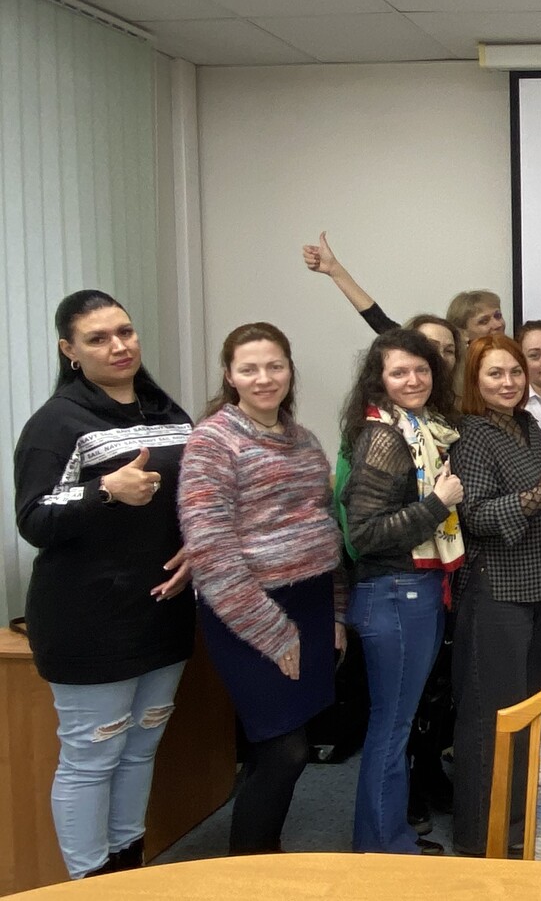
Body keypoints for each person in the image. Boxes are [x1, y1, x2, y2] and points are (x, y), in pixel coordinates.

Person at [12, 290, 194, 879]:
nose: (119, 346)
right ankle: (89, 884)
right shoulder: (57, 423)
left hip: (162, 612)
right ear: (69, 351)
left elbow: (196, 497)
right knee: (91, 759)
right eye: (98, 338)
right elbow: (33, 519)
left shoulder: (167, 412)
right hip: (88, 621)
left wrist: (197, 545)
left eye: (125, 331)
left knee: (141, 749)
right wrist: (104, 492)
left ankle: (127, 872)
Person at [177, 323, 346, 854]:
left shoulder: (304, 439)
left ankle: (260, 850)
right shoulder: (213, 440)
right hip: (248, 607)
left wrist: (337, 612)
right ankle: (250, 863)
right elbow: (209, 549)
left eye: (275, 366)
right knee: (284, 749)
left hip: (311, 602)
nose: (264, 378)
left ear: (290, 370)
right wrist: (272, 631)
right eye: (249, 368)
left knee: (280, 744)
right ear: (230, 376)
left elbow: (324, 529)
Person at [339, 329, 465, 855]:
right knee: (391, 728)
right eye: (399, 372)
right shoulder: (385, 437)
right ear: (379, 380)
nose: (412, 380)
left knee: (396, 724)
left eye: (421, 369)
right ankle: (383, 847)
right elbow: (365, 534)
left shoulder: (423, 429)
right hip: (394, 593)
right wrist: (438, 503)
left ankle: (387, 837)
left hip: (415, 589)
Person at [447, 333, 541, 856]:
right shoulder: (471, 433)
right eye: (495, 373)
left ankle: (516, 828)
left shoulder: (527, 425)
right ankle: (479, 841)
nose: (509, 382)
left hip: (538, 590)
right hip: (495, 593)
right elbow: (473, 515)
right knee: (489, 719)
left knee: (527, 717)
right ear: (474, 380)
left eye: (515, 371)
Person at [301, 231, 506, 345]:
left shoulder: (514, 357)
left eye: (497, 315)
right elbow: (383, 324)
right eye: (484, 321)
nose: (496, 324)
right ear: (462, 334)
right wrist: (335, 270)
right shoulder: (450, 363)